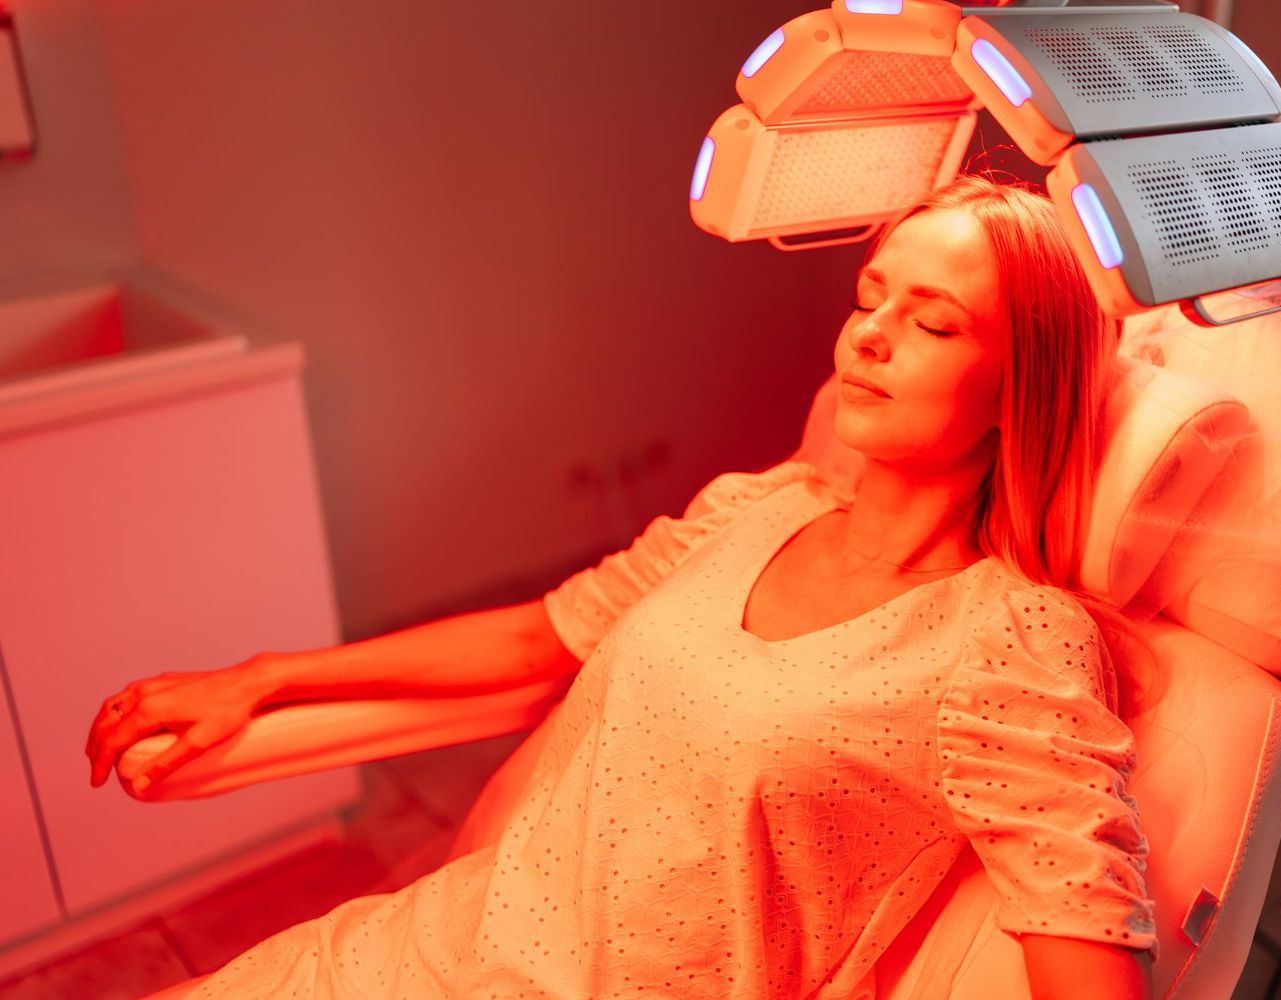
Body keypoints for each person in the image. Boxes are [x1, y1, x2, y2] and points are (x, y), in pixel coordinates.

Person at [85, 174, 1158, 999]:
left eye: (932, 323)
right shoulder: (756, 507)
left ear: (1023, 391)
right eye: (867, 297)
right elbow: (535, 638)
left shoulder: (1013, 640)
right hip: (447, 947)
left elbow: (1086, 951)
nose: (868, 336)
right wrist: (263, 677)